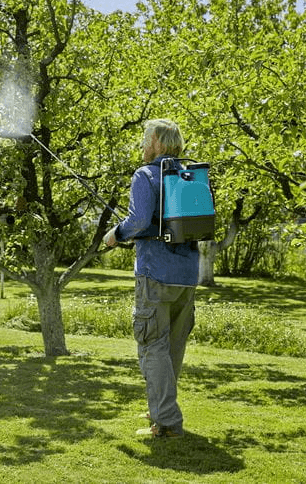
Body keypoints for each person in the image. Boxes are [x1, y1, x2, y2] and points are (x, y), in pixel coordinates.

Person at [104, 118, 198, 439]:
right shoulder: (190, 176)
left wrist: (116, 233)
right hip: (187, 275)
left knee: (152, 345)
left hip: (155, 272)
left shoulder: (145, 175)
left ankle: (167, 422)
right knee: (172, 345)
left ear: (157, 141)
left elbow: (140, 219)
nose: (143, 146)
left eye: (146, 139)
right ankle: (160, 408)